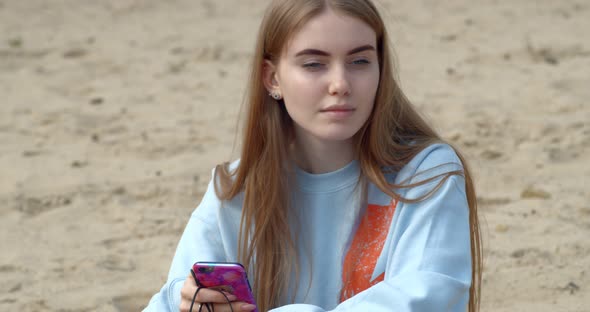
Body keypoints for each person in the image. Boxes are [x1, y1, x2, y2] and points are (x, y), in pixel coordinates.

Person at [145, 0, 482, 311]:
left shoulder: (426, 173)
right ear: (272, 78)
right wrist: (185, 299)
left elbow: (427, 297)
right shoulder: (235, 189)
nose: (340, 83)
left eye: (360, 61)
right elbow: (168, 300)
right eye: (314, 64)